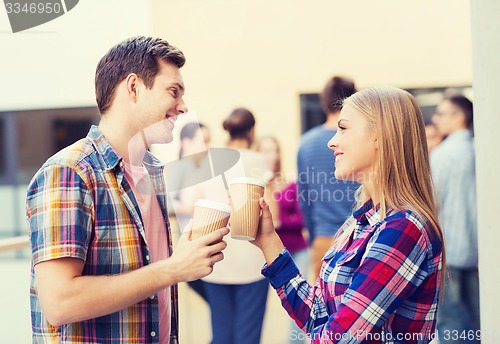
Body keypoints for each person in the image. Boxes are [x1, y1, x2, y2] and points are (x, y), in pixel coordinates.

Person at [26, 36, 229, 344]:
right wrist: (173, 269)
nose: (183, 107)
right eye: (173, 92)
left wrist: (184, 256)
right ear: (133, 87)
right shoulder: (69, 172)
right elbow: (59, 303)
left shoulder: (153, 171)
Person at [253, 87, 445, 343]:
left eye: (343, 128)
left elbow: (338, 339)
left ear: (380, 136)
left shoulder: (403, 229)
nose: (332, 141)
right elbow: (317, 316)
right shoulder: (362, 222)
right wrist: (268, 240)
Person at [201, 108, 271, 344]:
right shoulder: (260, 160)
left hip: (216, 257)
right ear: (252, 130)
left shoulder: (208, 160)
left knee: (221, 335)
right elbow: (272, 210)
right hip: (252, 261)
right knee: (247, 336)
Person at [297, 76, 360, 281]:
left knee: (324, 307)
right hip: (362, 235)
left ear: (324, 102)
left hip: (324, 238)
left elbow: (304, 198)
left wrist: (313, 238)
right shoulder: (360, 140)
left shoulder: (306, 144)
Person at [431, 94, 480, 344]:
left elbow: (431, 203)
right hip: (475, 252)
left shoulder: (443, 155)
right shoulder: (479, 152)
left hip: (447, 251)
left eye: (441, 113)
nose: (435, 119)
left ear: (459, 117)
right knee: (477, 320)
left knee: (450, 321)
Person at [257, 136, 309, 344]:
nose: (273, 155)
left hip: (297, 250)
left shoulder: (289, 183)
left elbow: (302, 217)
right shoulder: (255, 185)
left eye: (275, 150)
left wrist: (279, 222)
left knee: (299, 302)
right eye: (267, 150)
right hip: (268, 254)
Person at [167, 122, 212, 302]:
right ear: (186, 142)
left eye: (208, 141)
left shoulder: (199, 169)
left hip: (203, 245)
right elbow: (166, 204)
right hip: (192, 248)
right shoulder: (179, 168)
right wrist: (195, 207)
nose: (206, 147)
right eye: (203, 141)